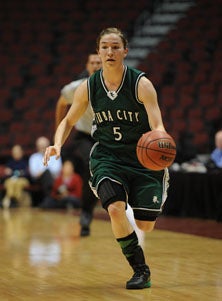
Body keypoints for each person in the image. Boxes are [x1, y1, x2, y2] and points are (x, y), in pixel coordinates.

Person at [43, 27, 169, 290]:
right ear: (98, 51)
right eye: (104, 47)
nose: (109, 52)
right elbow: (68, 121)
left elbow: (158, 126)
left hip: (142, 160)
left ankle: (156, 188)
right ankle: (140, 269)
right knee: (114, 208)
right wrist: (56, 144)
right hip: (107, 157)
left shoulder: (141, 84)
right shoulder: (88, 86)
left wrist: (161, 142)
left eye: (114, 47)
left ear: (125, 51)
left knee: (145, 225)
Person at [55, 53, 102, 236]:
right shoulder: (76, 87)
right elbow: (61, 104)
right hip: (84, 136)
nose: (97, 65)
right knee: (92, 165)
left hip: (106, 136)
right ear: (88, 66)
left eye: (99, 62)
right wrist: (58, 131)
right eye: (93, 62)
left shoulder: (115, 86)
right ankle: (86, 213)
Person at [29, 136, 62, 204]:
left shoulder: (55, 155)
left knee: (47, 174)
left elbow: (57, 170)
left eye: (44, 146)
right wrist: (45, 171)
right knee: (47, 173)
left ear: (48, 146)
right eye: (40, 146)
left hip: (53, 178)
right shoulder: (33, 157)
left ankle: (49, 199)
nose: (42, 148)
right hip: (37, 180)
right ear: (37, 147)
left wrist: (42, 171)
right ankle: (50, 197)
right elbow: (34, 173)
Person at [2, 144, 31, 209]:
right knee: (10, 183)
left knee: (18, 183)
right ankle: (13, 200)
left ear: (21, 152)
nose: (16, 154)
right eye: (14, 152)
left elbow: (27, 174)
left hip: (22, 180)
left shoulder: (25, 162)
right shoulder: (9, 163)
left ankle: (11, 199)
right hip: (11, 180)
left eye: (17, 152)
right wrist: (9, 173)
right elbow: (6, 175)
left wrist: (13, 173)